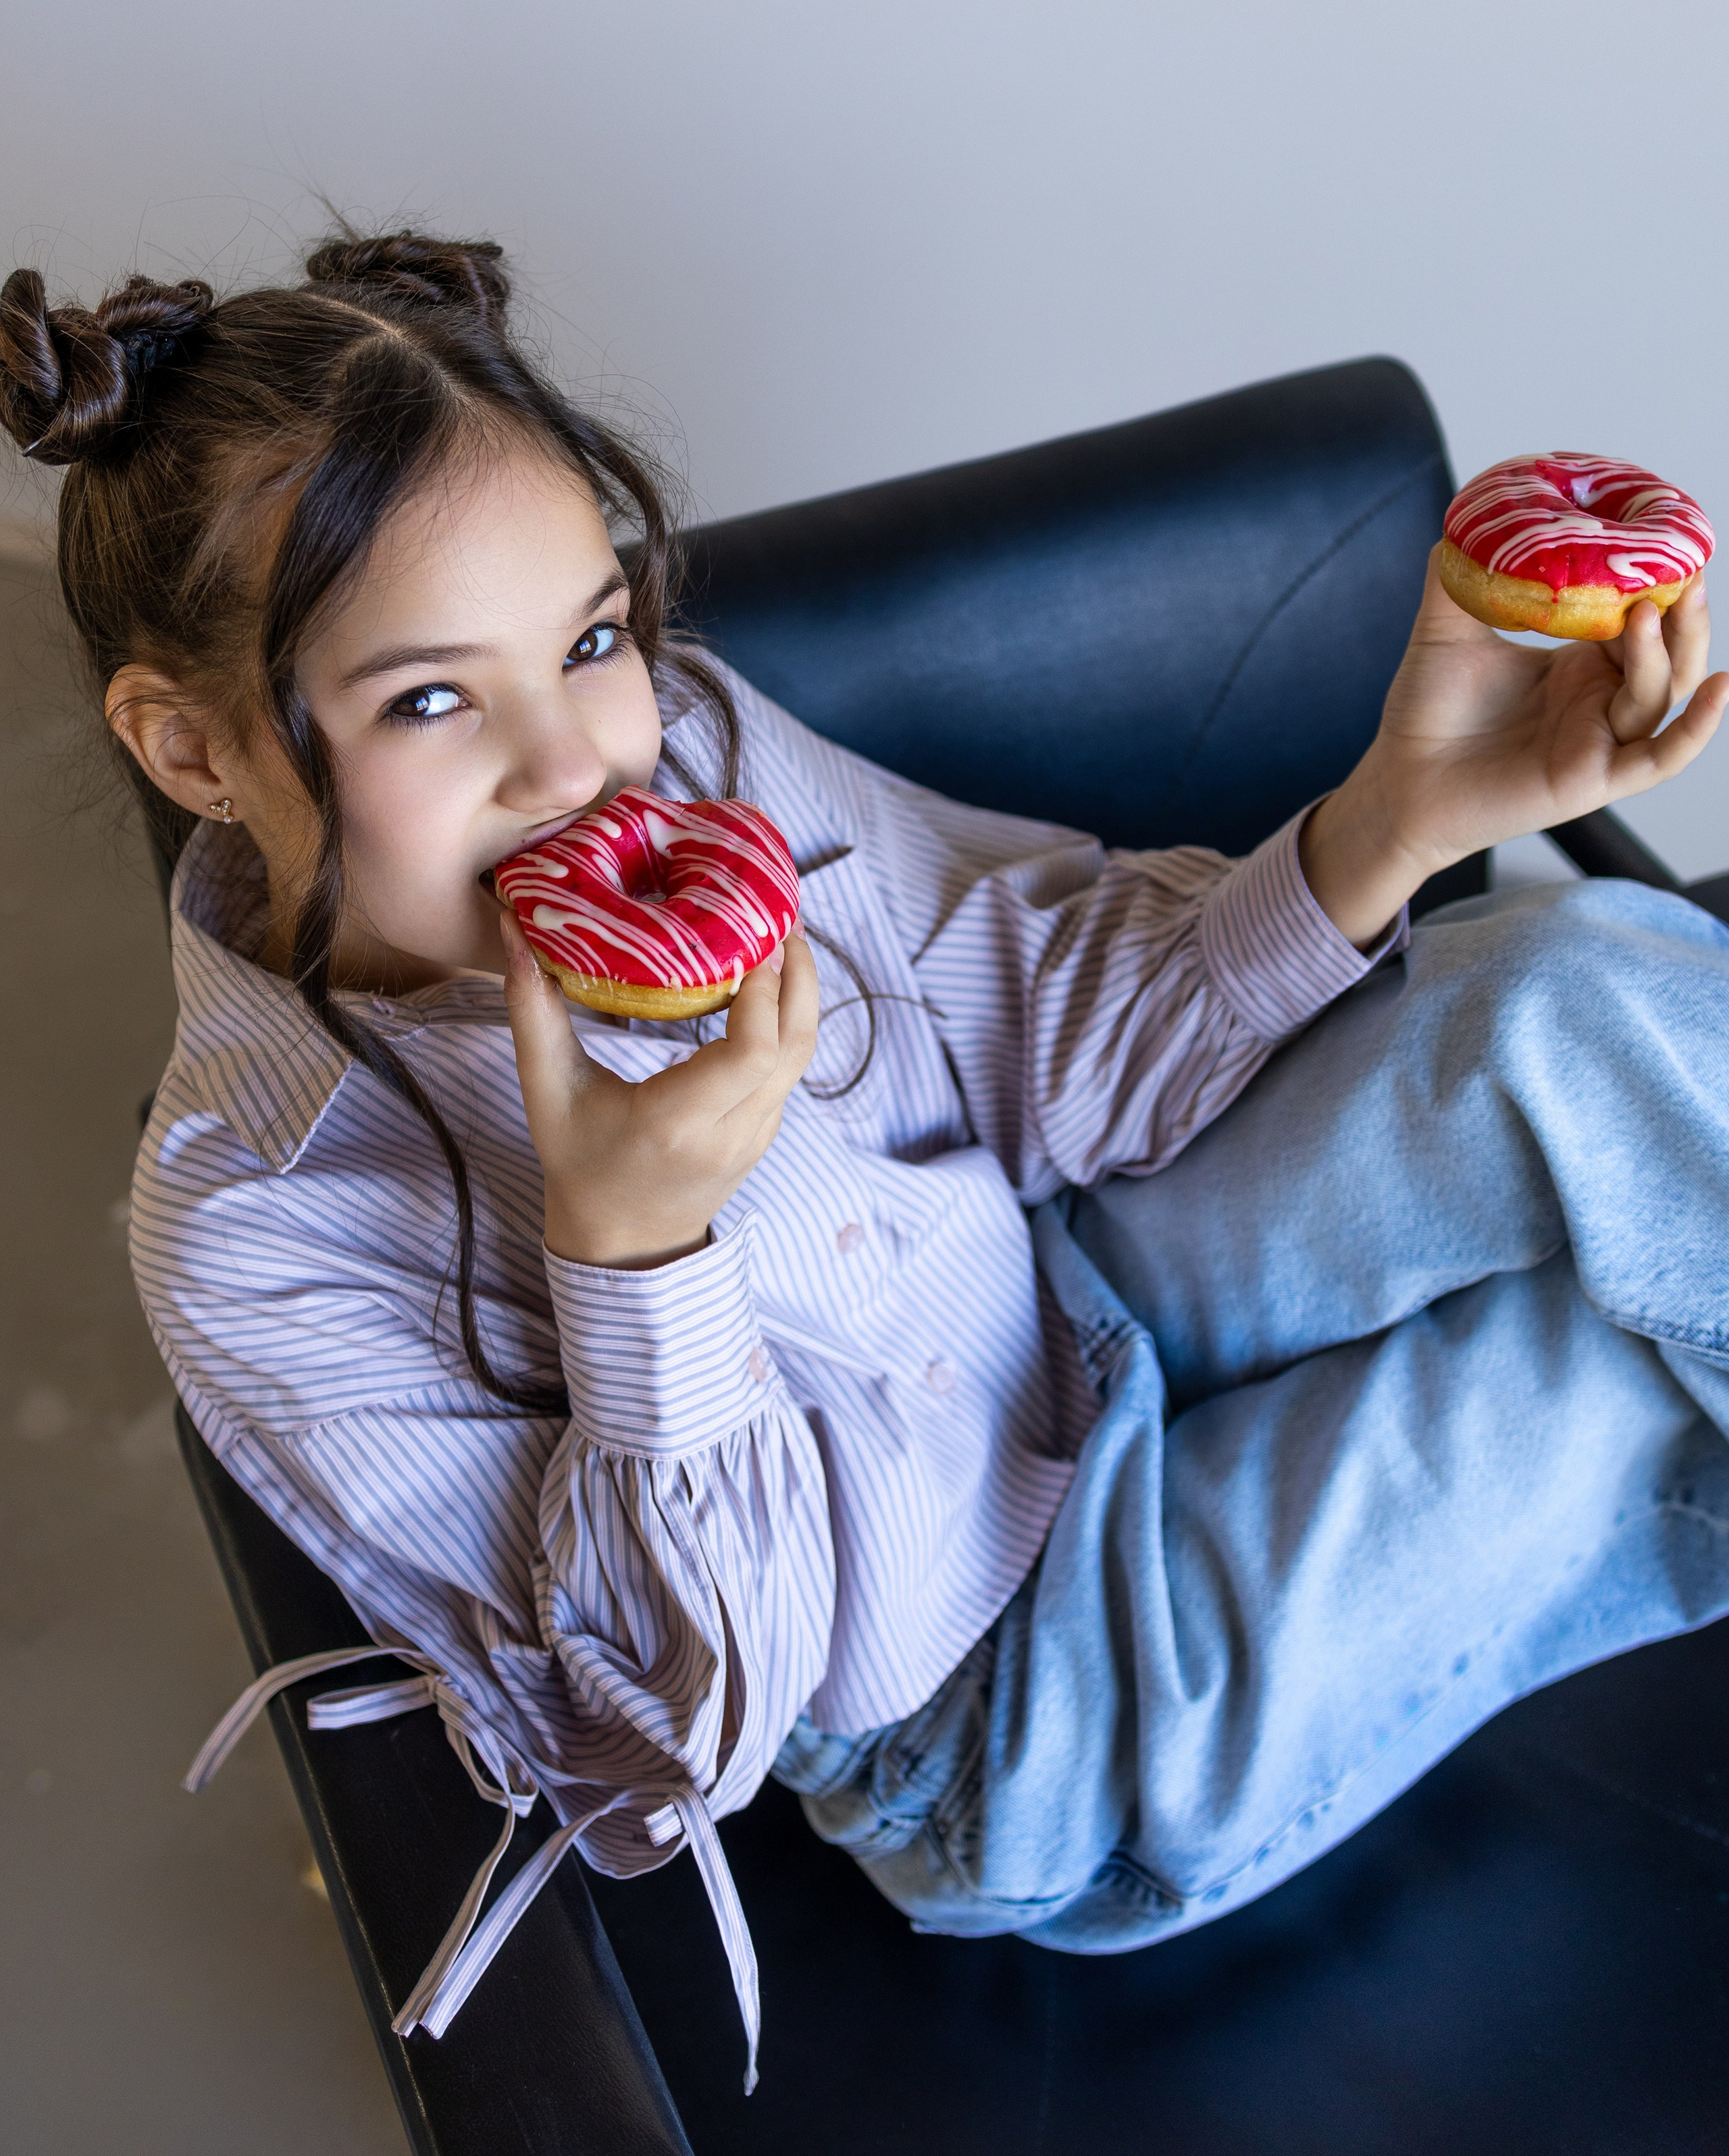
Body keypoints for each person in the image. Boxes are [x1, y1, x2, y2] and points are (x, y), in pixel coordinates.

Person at [5, 230, 1729, 2090]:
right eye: (431, 700)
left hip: (1074, 1291)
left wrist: (1406, 814)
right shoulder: (260, 1227)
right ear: (189, 749)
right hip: (1015, 1714)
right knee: (1607, 1374)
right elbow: (657, 1747)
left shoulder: (709, 756)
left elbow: (1059, 1045)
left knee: (1583, 992)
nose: (581, 768)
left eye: (590, 639)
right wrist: (636, 1256)